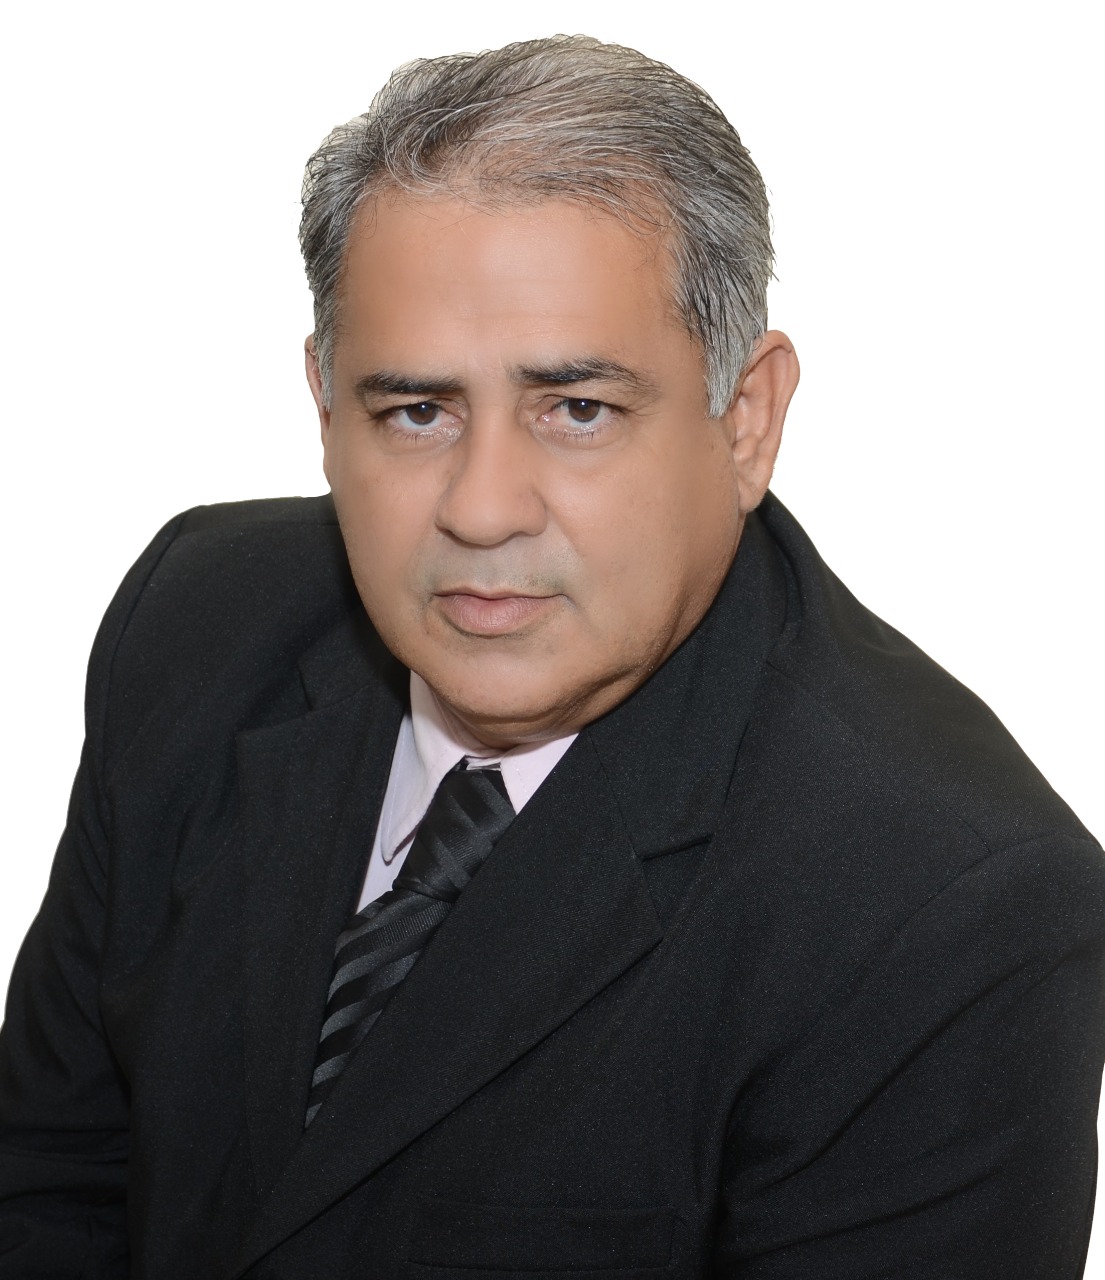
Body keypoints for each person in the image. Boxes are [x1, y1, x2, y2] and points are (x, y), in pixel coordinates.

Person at [1, 33, 1102, 1279]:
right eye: (416, 410)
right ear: (324, 408)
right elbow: (47, 1184)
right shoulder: (196, 623)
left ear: (745, 420)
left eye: (577, 410)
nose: (482, 508)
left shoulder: (947, 904)